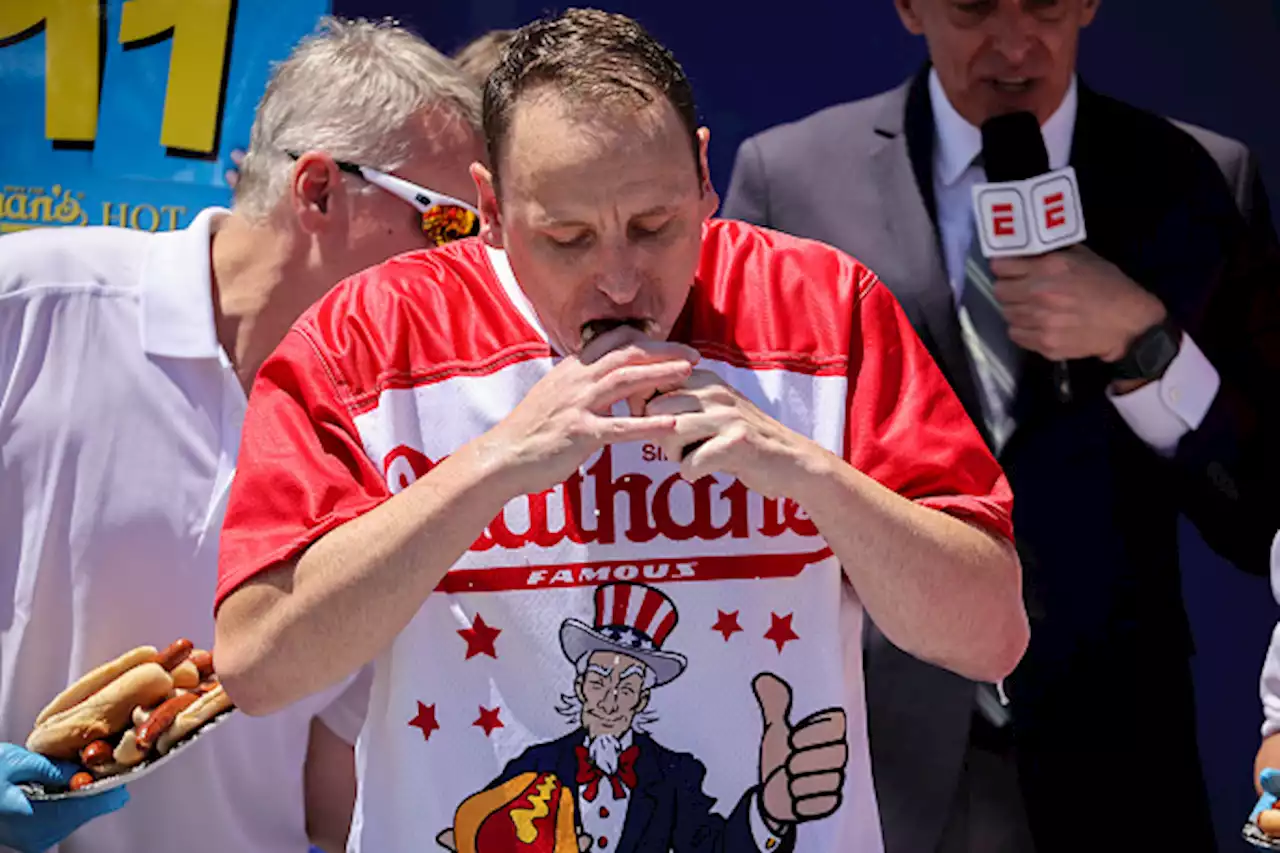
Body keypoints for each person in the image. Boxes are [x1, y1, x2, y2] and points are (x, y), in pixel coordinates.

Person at [212, 8, 1029, 853]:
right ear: (490, 209)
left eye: (655, 226)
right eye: (567, 238)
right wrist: (492, 465)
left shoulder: (823, 311)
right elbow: (261, 664)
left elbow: (990, 633)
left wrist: (806, 471)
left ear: (706, 175)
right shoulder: (373, 336)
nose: (620, 279)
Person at [722, 1, 1280, 852]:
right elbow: (742, 484)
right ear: (910, 6)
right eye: (975, 7)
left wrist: (1148, 347)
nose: (1015, 44)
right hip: (881, 745)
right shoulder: (792, 177)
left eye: (1047, 7)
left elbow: (1261, 512)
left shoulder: (1199, 176)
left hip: (1116, 746)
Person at [0, 16, 485, 853]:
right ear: (321, 190)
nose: (472, 266)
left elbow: (332, 781)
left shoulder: (407, 432)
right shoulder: (30, 306)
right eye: (450, 225)